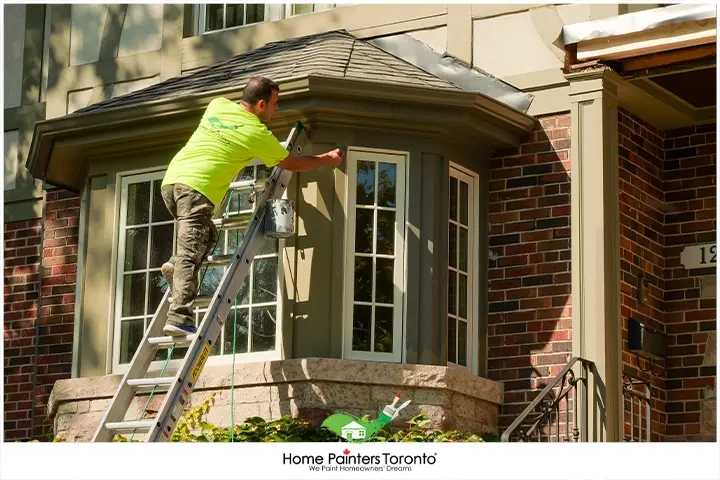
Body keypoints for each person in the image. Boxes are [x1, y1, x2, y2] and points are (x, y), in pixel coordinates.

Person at [159, 76, 343, 336]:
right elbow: (292, 163)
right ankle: (179, 318)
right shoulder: (256, 133)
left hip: (172, 184)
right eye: (275, 103)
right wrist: (325, 158)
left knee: (207, 236)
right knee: (191, 254)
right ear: (260, 104)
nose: (276, 109)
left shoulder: (218, 105)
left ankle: (175, 265)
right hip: (197, 189)